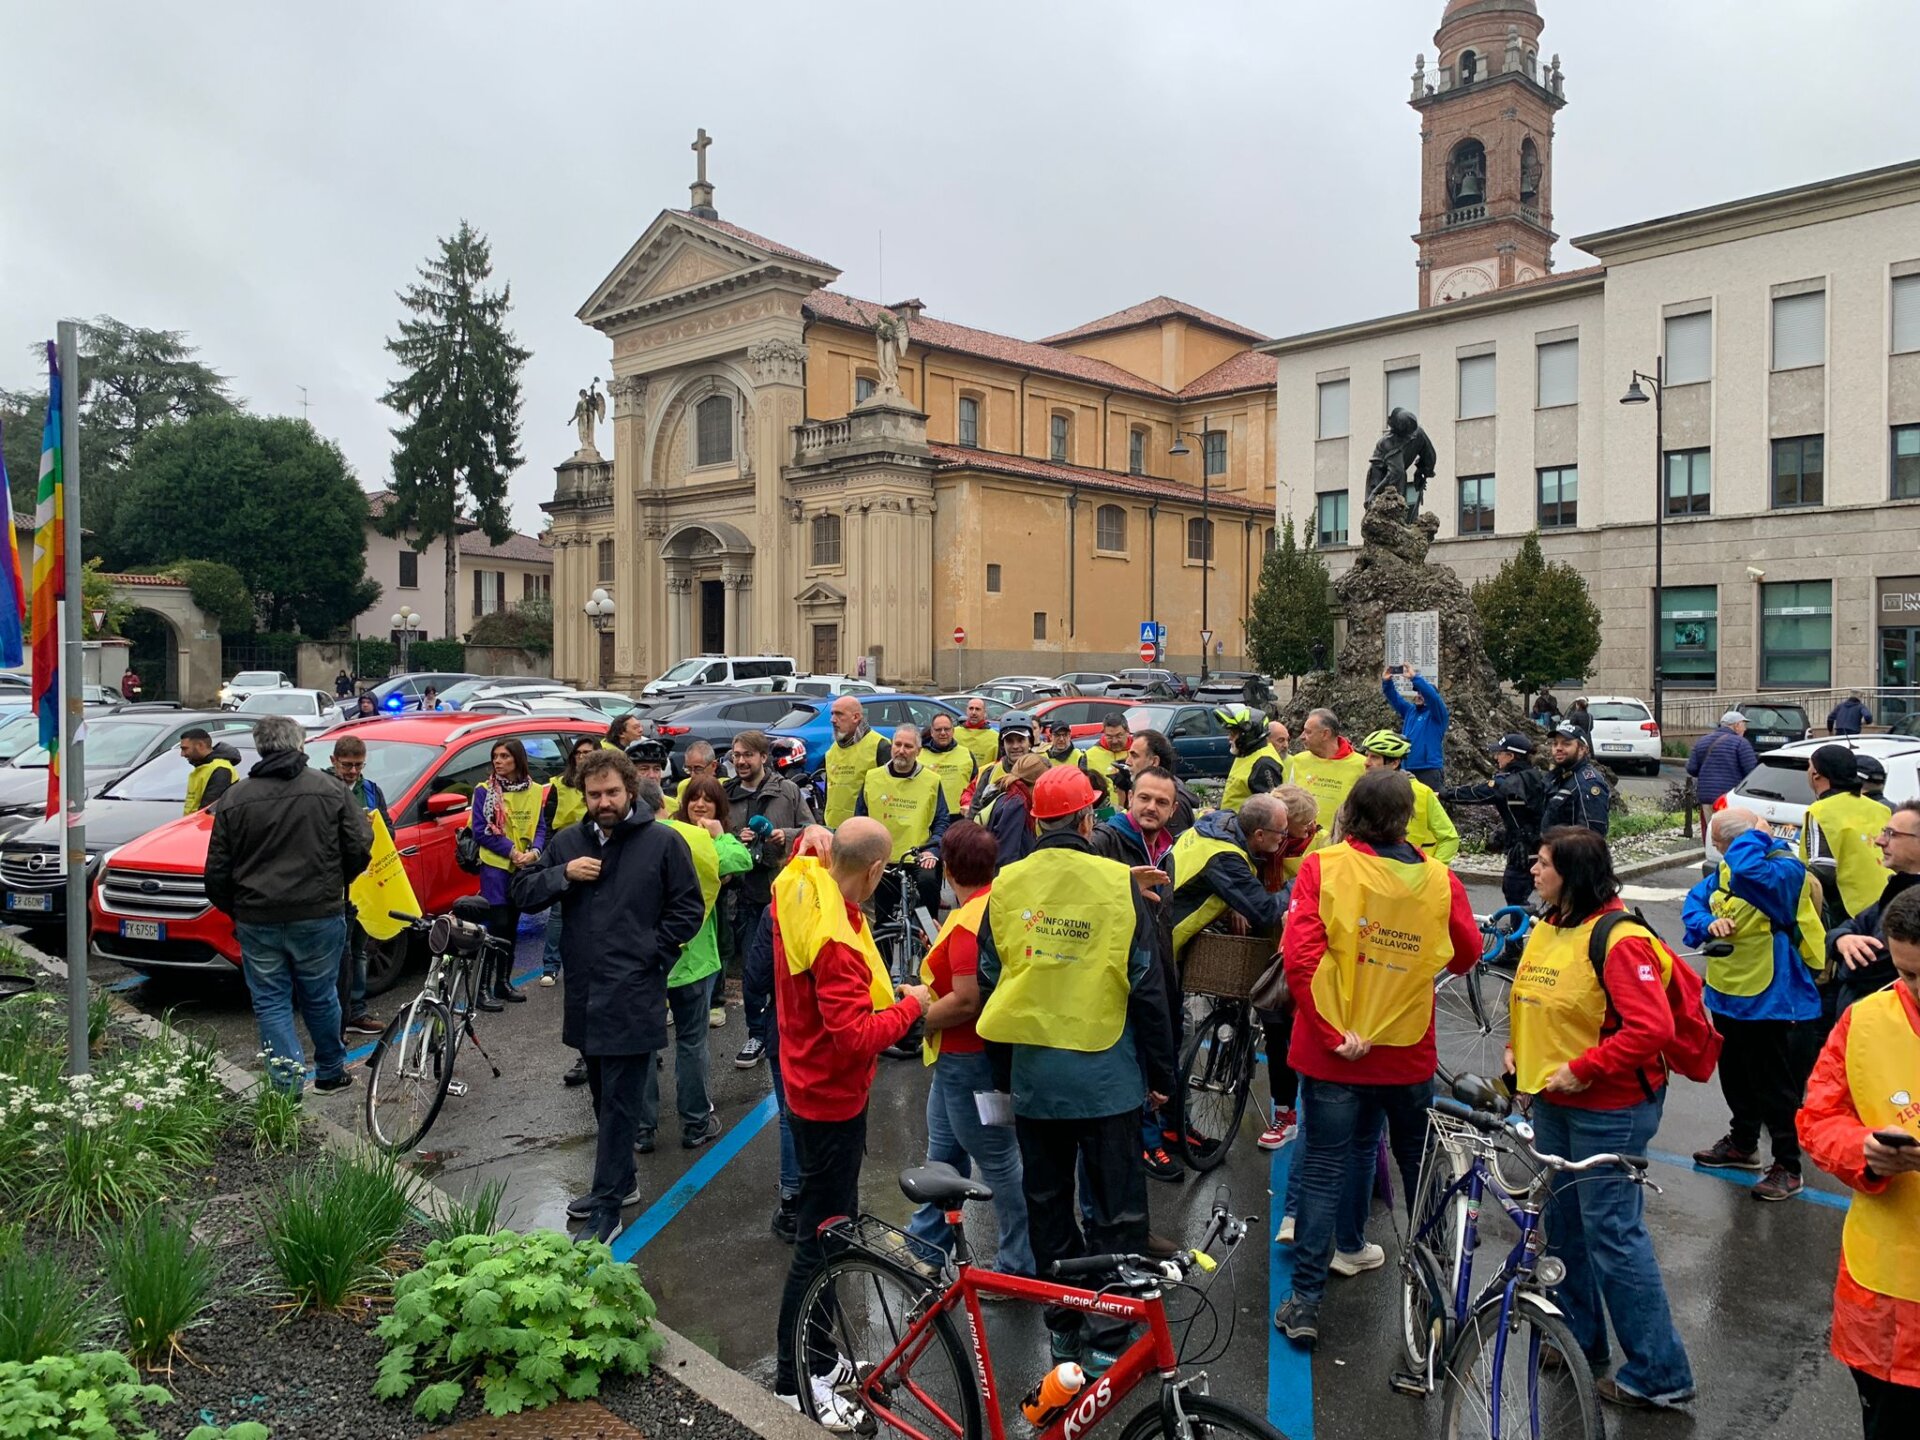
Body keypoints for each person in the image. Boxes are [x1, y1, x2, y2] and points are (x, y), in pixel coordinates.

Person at [976, 765, 1175, 1372]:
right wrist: (1163, 1076)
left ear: (1036, 819)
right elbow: (1147, 986)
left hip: (1036, 1077)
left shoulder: (1007, 884)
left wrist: (1003, 1075)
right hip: (1106, 1076)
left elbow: (991, 980)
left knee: (1049, 1207)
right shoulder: (1118, 883)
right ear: (1090, 819)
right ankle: (1109, 1338)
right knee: (1117, 1212)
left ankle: (1062, 1328)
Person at [1272, 769, 1479, 1347]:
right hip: (1405, 1049)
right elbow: (1467, 954)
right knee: (1419, 1173)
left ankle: (1306, 1303)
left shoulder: (1325, 866)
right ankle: (1434, 1301)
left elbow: (1302, 956)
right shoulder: (1439, 880)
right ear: (1408, 818)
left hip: (1336, 1051)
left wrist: (1334, 1029)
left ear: (1352, 814)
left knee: (1321, 1170)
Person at [1507, 827, 1697, 1409]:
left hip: (1609, 1109)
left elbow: (1651, 1029)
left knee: (1613, 1234)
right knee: (1565, 1226)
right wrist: (1517, 1052)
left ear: (1574, 874)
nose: (1533, 872)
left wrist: (1585, 1068)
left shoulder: (1620, 940)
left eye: (1543, 864)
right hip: (1555, 1101)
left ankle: (1660, 1374)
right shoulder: (1550, 922)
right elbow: (1533, 998)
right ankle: (1579, 1339)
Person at [771, 818, 930, 1420]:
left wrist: (810, 837)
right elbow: (853, 1036)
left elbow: (797, 855)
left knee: (830, 1231)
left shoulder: (802, 886)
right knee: (819, 1242)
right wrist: (911, 1004)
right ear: (875, 871)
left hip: (808, 1086)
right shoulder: (836, 942)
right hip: (830, 1100)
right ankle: (794, 1382)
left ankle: (817, 1357)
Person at [511, 754, 705, 1242]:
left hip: (634, 992)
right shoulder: (568, 843)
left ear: (631, 790)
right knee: (602, 1096)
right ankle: (621, 1181)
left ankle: (607, 1206)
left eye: (612, 793)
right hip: (585, 993)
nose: (604, 803)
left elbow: (688, 909)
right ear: (583, 794)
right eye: (594, 795)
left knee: (620, 1102)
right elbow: (525, 894)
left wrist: (652, 956)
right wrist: (562, 875)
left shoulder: (662, 842)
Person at [1797, 883, 1920, 1439]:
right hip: (1889, 1287)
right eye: (1909, 974)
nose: (1916, 988)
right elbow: (1819, 1118)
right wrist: (1864, 1154)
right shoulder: (1866, 1020)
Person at [205, 716, 372, 1095]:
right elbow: (360, 845)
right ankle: (330, 1070)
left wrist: (239, 908)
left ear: (260, 747)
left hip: (258, 916)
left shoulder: (235, 797)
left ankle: (286, 1086)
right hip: (318, 911)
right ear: (300, 745)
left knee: (271, 1001)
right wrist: (336, 884)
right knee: (320, 993)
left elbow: (217, 870)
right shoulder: (329, 789)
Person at [904, 821, 1035, 1277]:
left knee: (998, 1160)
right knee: (943, 1154)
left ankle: (1019, 1262)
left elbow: (965, 1000)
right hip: (967, 1060)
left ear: (947, 871)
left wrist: (916, 1015)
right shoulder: (991, 906)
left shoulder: (966, 925)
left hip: (967, 1059)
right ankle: (924, 1243)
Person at [1682, 807, 1827, 1200]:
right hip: (1728, 990)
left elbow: (1749, 873)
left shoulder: (1781, 869)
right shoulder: (1727, 869)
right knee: (1734, 1072)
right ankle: (1743, 1143)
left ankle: (1788, 1165)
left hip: (1770, 994)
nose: (1719, 852)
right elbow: (1695, 903)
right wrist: (1704, 924)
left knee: (1774, 1083)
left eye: (1721, 844)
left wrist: (1757, 835)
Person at [640, 776, 752, 1150]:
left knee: (642, 1047)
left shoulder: (624, 840)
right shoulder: (695, 838)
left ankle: (642, 1129)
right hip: (693, 957)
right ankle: (695, 1123)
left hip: (641, 959)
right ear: (664, 803)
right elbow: (740, 860)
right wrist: (720, 834)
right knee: (692, 1042)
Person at [724, 729, 814, 1069]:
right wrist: (736, 837)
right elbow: (716, 836)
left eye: (748, 755)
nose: (742, 761)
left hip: (785, 894)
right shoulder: (726, 794)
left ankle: (787, 1030)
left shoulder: (787, 791)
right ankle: (757, 1034)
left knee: (790, 968)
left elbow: (811, 829)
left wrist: (785, 835)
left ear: (763, 758)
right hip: (745, 895)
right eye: (737, 755)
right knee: (753, 971)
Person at [1259, 785, 1326, 1155]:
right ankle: (1285, 1111)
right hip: (1268, 938)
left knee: (1292, 1031)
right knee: (1273, 1028)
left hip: (1299, 948)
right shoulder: (1266, 837)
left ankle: (1295, 1113)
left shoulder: (1322, 846)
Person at [469, 739, 549, 1010]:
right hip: (496, 867)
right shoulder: (484, 791)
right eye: (495, 756)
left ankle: (502, 983)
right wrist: (512, 851)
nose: (498, 761)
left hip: (522, 867)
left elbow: (540, 826)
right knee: (497, 926)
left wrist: (535, 852)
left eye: (504, 756)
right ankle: (481, 989)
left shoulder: (535, 790)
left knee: (511, 927)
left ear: (517, 759)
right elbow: (481, 830)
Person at [854, 722, 951, 928]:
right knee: (882, 919)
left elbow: (941, 821)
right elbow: (860, 818)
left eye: (908, 746)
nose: (901, 750)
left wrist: (932, 850)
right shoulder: (873, 778)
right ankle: (884, 955)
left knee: (928, 886)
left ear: (918, 751)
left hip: (918, 856)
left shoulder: (931, 781)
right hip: (882, 858)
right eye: (897, 744)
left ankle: (928, 937)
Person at [1828, 800, 1920, 1014]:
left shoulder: (1911, 896)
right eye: (1883, 832)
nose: (1880, 841)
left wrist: (1842, 958)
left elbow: (1867, 967)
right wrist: (1841, 939)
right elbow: (1851, 925)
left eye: (1892, 834)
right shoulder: (1899, 886)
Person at [328, 735, 392, 1039]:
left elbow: (388, 830)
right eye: (347, 765)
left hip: (366, 885)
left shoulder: (371, 790)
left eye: (358, 765)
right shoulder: (323, 788)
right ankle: (334, 1019)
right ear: (333, 761)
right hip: (333, 885)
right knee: (337, 956)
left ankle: (358, 1011)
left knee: (360, 951)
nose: (352, 771)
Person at [1440, 733, 1548, 906]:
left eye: (1500, 753)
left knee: (1515, 892)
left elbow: (1475, 794)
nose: (1496, 757)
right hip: (1543, 844)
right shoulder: (1539, 776)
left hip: (1521, 847)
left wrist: (1444, 794)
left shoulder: (1506, 782)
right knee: (1541, 894)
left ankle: (1523, 929)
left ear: (1511, 756)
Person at [1803, 745, 1894, 926]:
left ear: (1816, 774)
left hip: (1849, 911)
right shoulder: (1881, 809)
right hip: (1888, 901)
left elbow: (1823, 870)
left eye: (1808, 766)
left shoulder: (1820, 810)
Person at [539, 736, 597, 987]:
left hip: (595, 849)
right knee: (558, 912)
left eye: (588, 752)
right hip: (566, 850)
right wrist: (552, 853)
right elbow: (548, 820)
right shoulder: (559, 785)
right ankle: (550, 966)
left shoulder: (602, 783)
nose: (582, 757)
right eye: (579, 753)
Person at [1357, 729, 1458, 863]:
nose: (1366, 762)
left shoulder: (1421, 792)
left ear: (1394, 763)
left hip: (1410, 872)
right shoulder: (1362, 790)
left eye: (1374, 757)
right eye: (1367, 755)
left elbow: (1449, 837)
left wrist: (1432, 871)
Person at [822, 696, 893, 829]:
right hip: (834, 829)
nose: (832, 720)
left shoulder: (880, 746)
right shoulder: (832, 751)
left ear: (856, 717)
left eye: (839, 714)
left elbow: (890, 793)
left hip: (864, 831)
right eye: (832, 714)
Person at [1286, 708, 1366, 821]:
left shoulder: (1362, 765)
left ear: (1325, 734)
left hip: (1342, 837)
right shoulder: (1299, 760)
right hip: (1305, 837)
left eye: (1308, 732)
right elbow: (1290, 803)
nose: (1302, 737)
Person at [1379, 665, 1450, 788]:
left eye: (1422, 693)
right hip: (1406, 769)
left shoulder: (1438, 714)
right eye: (1417, 692)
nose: (1419, 695)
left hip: (1429, 770)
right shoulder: (1410, 711)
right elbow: (1394, 698)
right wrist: (1387, 682)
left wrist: (1414, 678)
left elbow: (1433, 697)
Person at [1124, 729, 1201, 835]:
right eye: (1144, 798)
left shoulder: (1175, 800)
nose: (1127, 762)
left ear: (1154, 761)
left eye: (1134, 756)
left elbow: (1173, 848)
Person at [1542, 722, 1612, 836]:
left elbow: (1592, 836)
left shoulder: (1587, 782)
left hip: (1570, 852)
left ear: (1582, 749)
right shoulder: (1556, 777)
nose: (1558, 748)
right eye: (1555, 744)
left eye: (1566, 744)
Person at [984, 752, 1049, 868]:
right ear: (1036, 783)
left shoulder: (1008, 795)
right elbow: (1008, 856)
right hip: (1013, 880)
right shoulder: (1017, 804)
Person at [1686, 710, 1761, 809]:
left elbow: (1691, 768)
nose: (1745, 729)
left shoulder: (1702, 740)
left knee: (1712, 824)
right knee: (1729, 824)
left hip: (1706, 797)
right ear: (1736, 725)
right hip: (1729, 799)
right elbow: (1751, 772)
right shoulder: (1741, 743)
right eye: (1743, 725)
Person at [1218, 704, 1285, 811]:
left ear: (1248, 735)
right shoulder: (1247, 753)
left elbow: (1270, 811)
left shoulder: (1264, 763)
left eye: (1234, 733)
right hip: (1232, 823)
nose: (1229, 738)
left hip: (1244, 826)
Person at [970, 712, 1037, 811]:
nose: (1015, 746)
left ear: (1030, 741)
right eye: (1009, 741)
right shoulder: (990, 774)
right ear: (1002, 744)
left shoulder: (1043, 770)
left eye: (1021, 740)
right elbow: (975, 812)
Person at [920, 711, 979, 816]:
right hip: (930, 816)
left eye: (946, 729)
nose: (943, 733)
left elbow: (976, 786)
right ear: (932, 732)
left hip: (960, 817)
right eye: (938, 730)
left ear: (953, 731)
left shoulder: (966, 754)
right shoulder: (919, 755)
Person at [180, 727, 241, 814]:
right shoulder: (203, 767)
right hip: (194, 825)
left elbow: (208, 810)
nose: (182, 754)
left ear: (200, 745)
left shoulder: (220, 769)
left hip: (204, 826)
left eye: (185, 749)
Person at [1082, 712, 1132, 810]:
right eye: (1109, 736)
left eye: (1119, 736)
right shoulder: (1090, 755)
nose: (1114, 741)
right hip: (1103, 816)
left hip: (1133, 816)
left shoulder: (1139, 752)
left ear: (1128, 732)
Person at [955, 696, 1002, 772]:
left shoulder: (995, 737)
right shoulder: (954, 733)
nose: (973, 712)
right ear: (966, 711)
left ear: (984, 713)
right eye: (971, 708)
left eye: (977, 709)